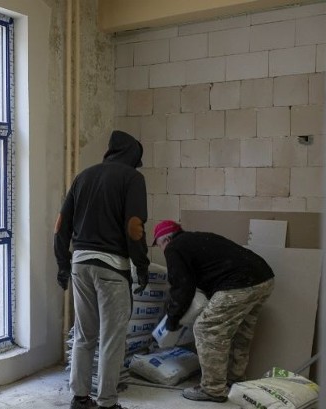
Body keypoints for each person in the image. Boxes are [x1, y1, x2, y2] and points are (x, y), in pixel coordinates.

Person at [54, 130, 150, 409]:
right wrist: (141, 265)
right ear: (133, 155)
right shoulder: (132, 178)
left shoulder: (83, 176)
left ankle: (80, 398)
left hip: (80, 265)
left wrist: (62, 264)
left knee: (84, 334)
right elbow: (134, 227)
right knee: (111, 338)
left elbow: (61, 224)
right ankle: (108, 402)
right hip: (111, 268)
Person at [151, 220, 275, 403]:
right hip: (264, 278)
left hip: (239, 283)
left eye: (159, 244)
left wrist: (172, 319)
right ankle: (235, 379)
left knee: (206, 328)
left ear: (167, 239)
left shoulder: (174, 247)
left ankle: (212, 389)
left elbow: (182, 288)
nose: (161, 249)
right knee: (240, 332)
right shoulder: (195, 239)